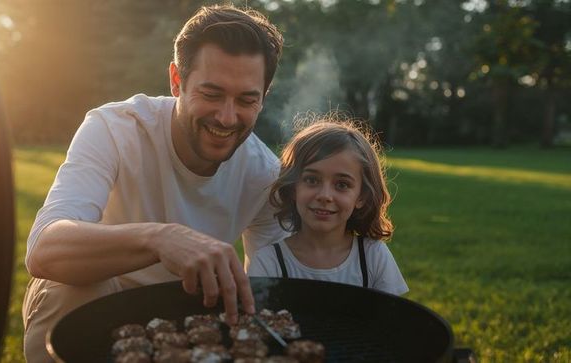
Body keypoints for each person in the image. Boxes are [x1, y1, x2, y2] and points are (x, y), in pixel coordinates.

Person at [22, 5, 286, 362]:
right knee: (69, 290)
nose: (226, 117)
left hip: (188, 312)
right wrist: (161, 238)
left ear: (263, 97)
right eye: (211, 94)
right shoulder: (114, 129)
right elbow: (45, 250)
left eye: (246, 100)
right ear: (177, 81)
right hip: (98, 299)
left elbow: (272, 287)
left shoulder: (264, 173)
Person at [247, 118, 408, 296]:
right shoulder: (269, 262)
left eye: (342, 184)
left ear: (361, 196)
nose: (325, 195)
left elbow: (393, 320)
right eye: (312, 180)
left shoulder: (373, 256)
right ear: (293, 188)